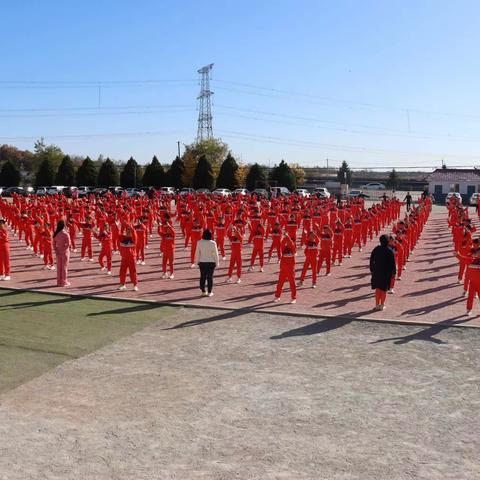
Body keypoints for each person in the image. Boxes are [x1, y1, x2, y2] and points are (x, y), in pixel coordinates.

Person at [370, 234, 396, 310]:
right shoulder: (389, 251)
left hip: (377, 272)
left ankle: (377, 304)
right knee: (384, 289)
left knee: (377, 288)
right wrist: (393, 273)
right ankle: (382, 305)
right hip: (386, 273)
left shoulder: (376, 249)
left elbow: (371, 260)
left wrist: (372, 269)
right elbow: (392, 263)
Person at [195, 229, 219, 297]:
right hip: (211, 262)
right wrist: (217, 263)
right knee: (210, 277)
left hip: (202, 262)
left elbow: (197, 253)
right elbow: (215, 254)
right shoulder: (213, 243)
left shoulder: (199, 242)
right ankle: (209, 292)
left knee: (202, 277)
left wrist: (197, 261)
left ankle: (203, 291)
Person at [53, 220, 71, 287]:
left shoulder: (56, 233)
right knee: (64, 267)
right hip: (65, 252)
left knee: (59, 267)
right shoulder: (66, 234)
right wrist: (64, 249)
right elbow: (69, 244)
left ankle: (59, 281)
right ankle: (64, 281)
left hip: (58, 252)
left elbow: (54, 244)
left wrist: (56, 251)